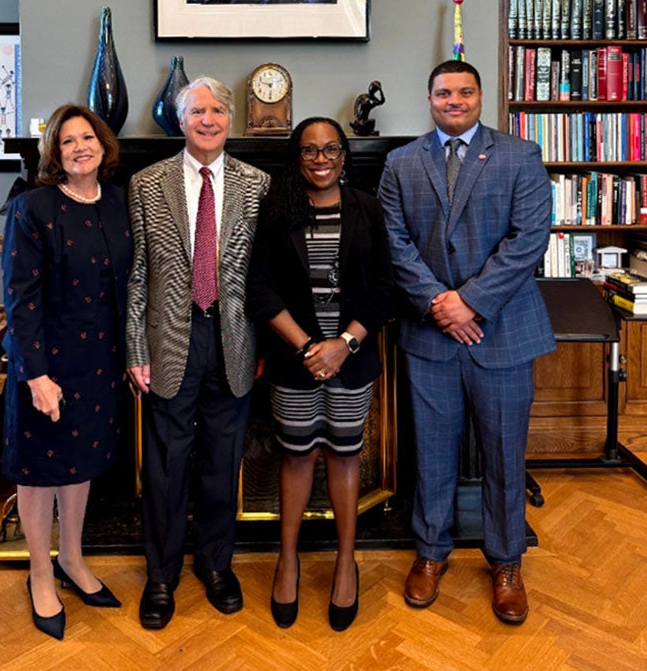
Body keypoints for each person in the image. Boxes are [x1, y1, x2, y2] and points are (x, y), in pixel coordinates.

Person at [378, 60, 554, 625]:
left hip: (502, 332)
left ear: (481, 96)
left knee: (504, 455)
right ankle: (431, 554)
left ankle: (506, 562)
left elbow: (529, 240)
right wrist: (440, 303)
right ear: (428, 98)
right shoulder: (401, 163)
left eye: (464, 91)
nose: (454, 100)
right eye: (443, 92)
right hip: (432, 335)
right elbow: (395, 242)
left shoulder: (519, 156)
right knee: (430, 454)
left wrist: (470, 301)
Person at [126, 76, 270, 630]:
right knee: (163, 466)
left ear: (229, 120)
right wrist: (135, 348)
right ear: (179, 121)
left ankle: (216, 567)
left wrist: (260, 342)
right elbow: (139, 275)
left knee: (221, 463)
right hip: (168, 339)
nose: (207, 120)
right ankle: (160, 577)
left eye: (216, 111)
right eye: (195, 111)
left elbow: (261, 276)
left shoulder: (256, 184)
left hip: (232, 340)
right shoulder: (146, 184)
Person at [246, 117, 394, 631]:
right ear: (297, 158)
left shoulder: (367, 209)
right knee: (297, 455)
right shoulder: (277, 210)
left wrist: (344, 344)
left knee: (345, 454)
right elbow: (260, 291)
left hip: (352, 362)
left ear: (345, 154)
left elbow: (384, 287)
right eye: (309, 151)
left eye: (331, 148)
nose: (321, 158)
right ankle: (287, 560)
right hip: (295, 361)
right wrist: (310, 347)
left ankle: (344, 561)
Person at [1, 104, 133, 640]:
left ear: (103, 145)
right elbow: (19, 297)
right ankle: (39, 572)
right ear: (54, 154)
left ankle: (73, 559)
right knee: (38, 469)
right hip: (46, 363)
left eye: (87, 137)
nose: (80, 147)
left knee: (79, 465)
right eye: (67, 142)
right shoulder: (32, 207)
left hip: (99, 363)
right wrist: (35, 374)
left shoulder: (119, 204)